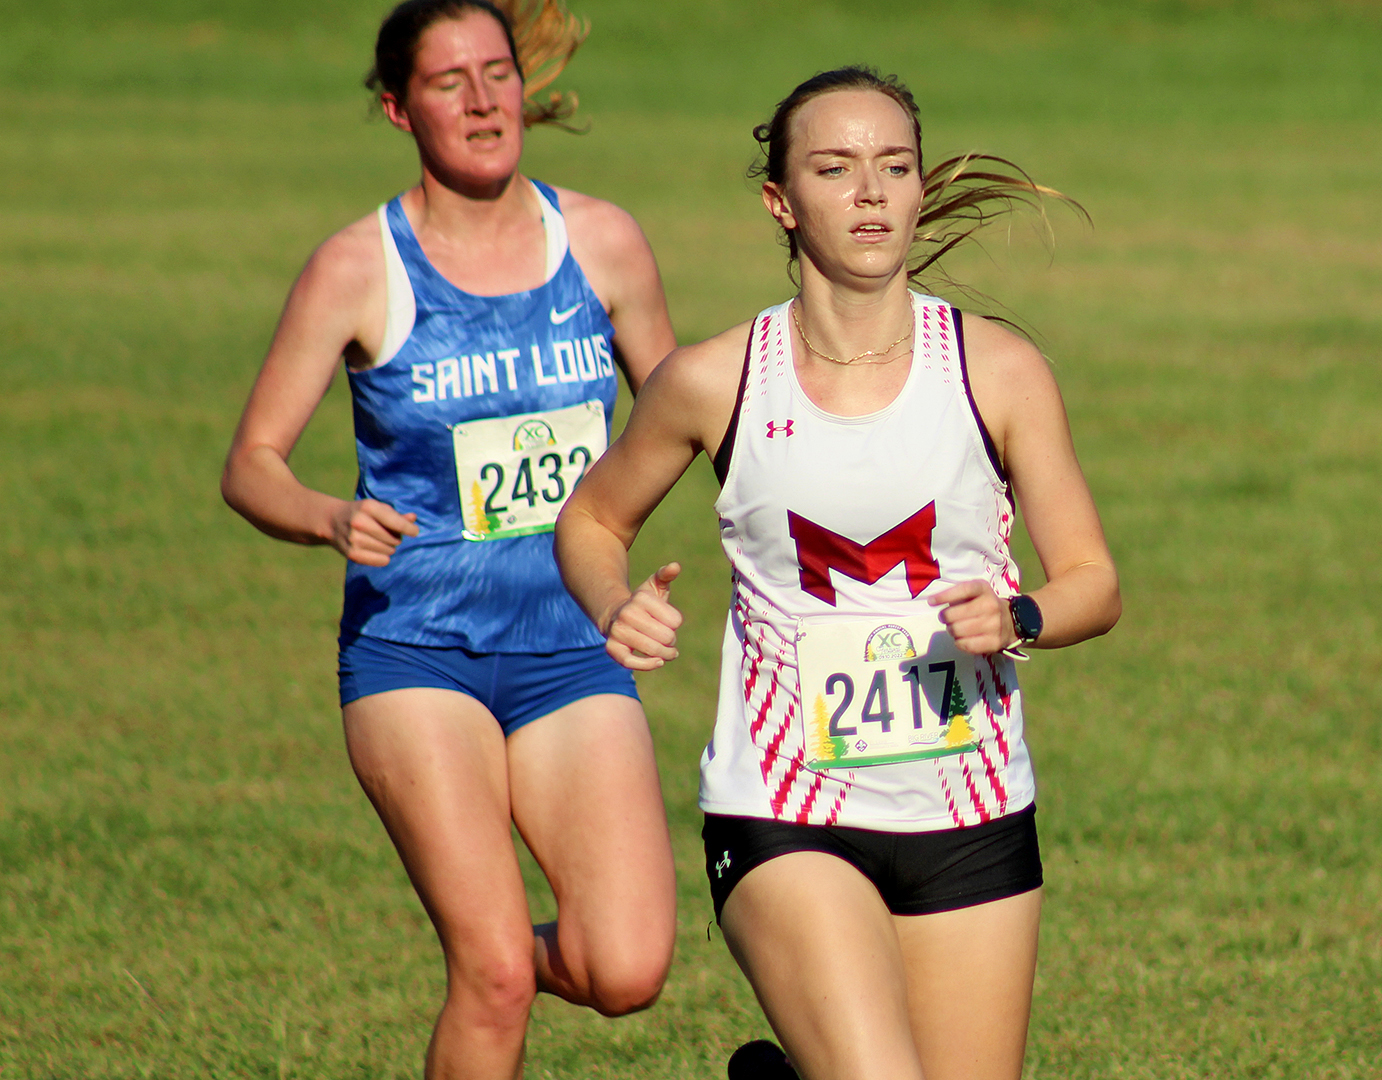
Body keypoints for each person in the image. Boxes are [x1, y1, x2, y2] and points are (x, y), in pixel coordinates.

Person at [554, 66, 1122, 1080]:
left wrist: (1020, 614)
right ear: (782, 201)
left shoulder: (997, 369)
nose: (870, 192)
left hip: (971, 812)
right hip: (787, 805)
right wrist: (613, 604)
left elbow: (1093, 579)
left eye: (894, 167)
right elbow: (594, 519)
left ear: (917, 190)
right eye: (836, 167)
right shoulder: (714, 377)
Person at [219, 2, 677, 1076]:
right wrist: (329, 516)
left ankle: (489, 972)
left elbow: (682, 410)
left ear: (525, 85)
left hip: (574, 647)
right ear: (396, 108)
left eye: (497, 73)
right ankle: (488, 978)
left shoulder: (601, 241)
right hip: (416, 650)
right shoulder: (356, 265)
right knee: (497, 973)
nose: (480, 99)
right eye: (446, 82)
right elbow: (251, 465)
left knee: (626, 968)